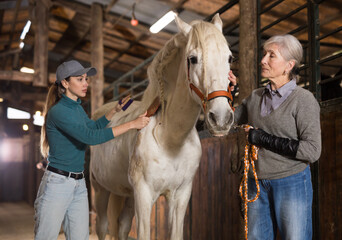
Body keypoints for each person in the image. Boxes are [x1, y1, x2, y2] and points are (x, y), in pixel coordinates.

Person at [34, 60, 150, 240]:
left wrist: (115, 110)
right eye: (80, 79)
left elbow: (94, 128)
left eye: (86, 79)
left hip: (78, 184)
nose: (86, 83)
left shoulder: (77, 108)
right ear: (65, 83)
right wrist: (132, 124)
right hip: (58, 184)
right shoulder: (59, 112)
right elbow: (91, 138)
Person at [230, 34, 321, 240]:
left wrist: (262, 139)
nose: (263, 60)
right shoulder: (254, 97)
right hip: (256, 183)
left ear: (289, 65)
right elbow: (227, 122)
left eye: (272, 55)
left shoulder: (303, 100)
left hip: (292, 182)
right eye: (264, 54)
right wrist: (229, 92)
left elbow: (312, 151)